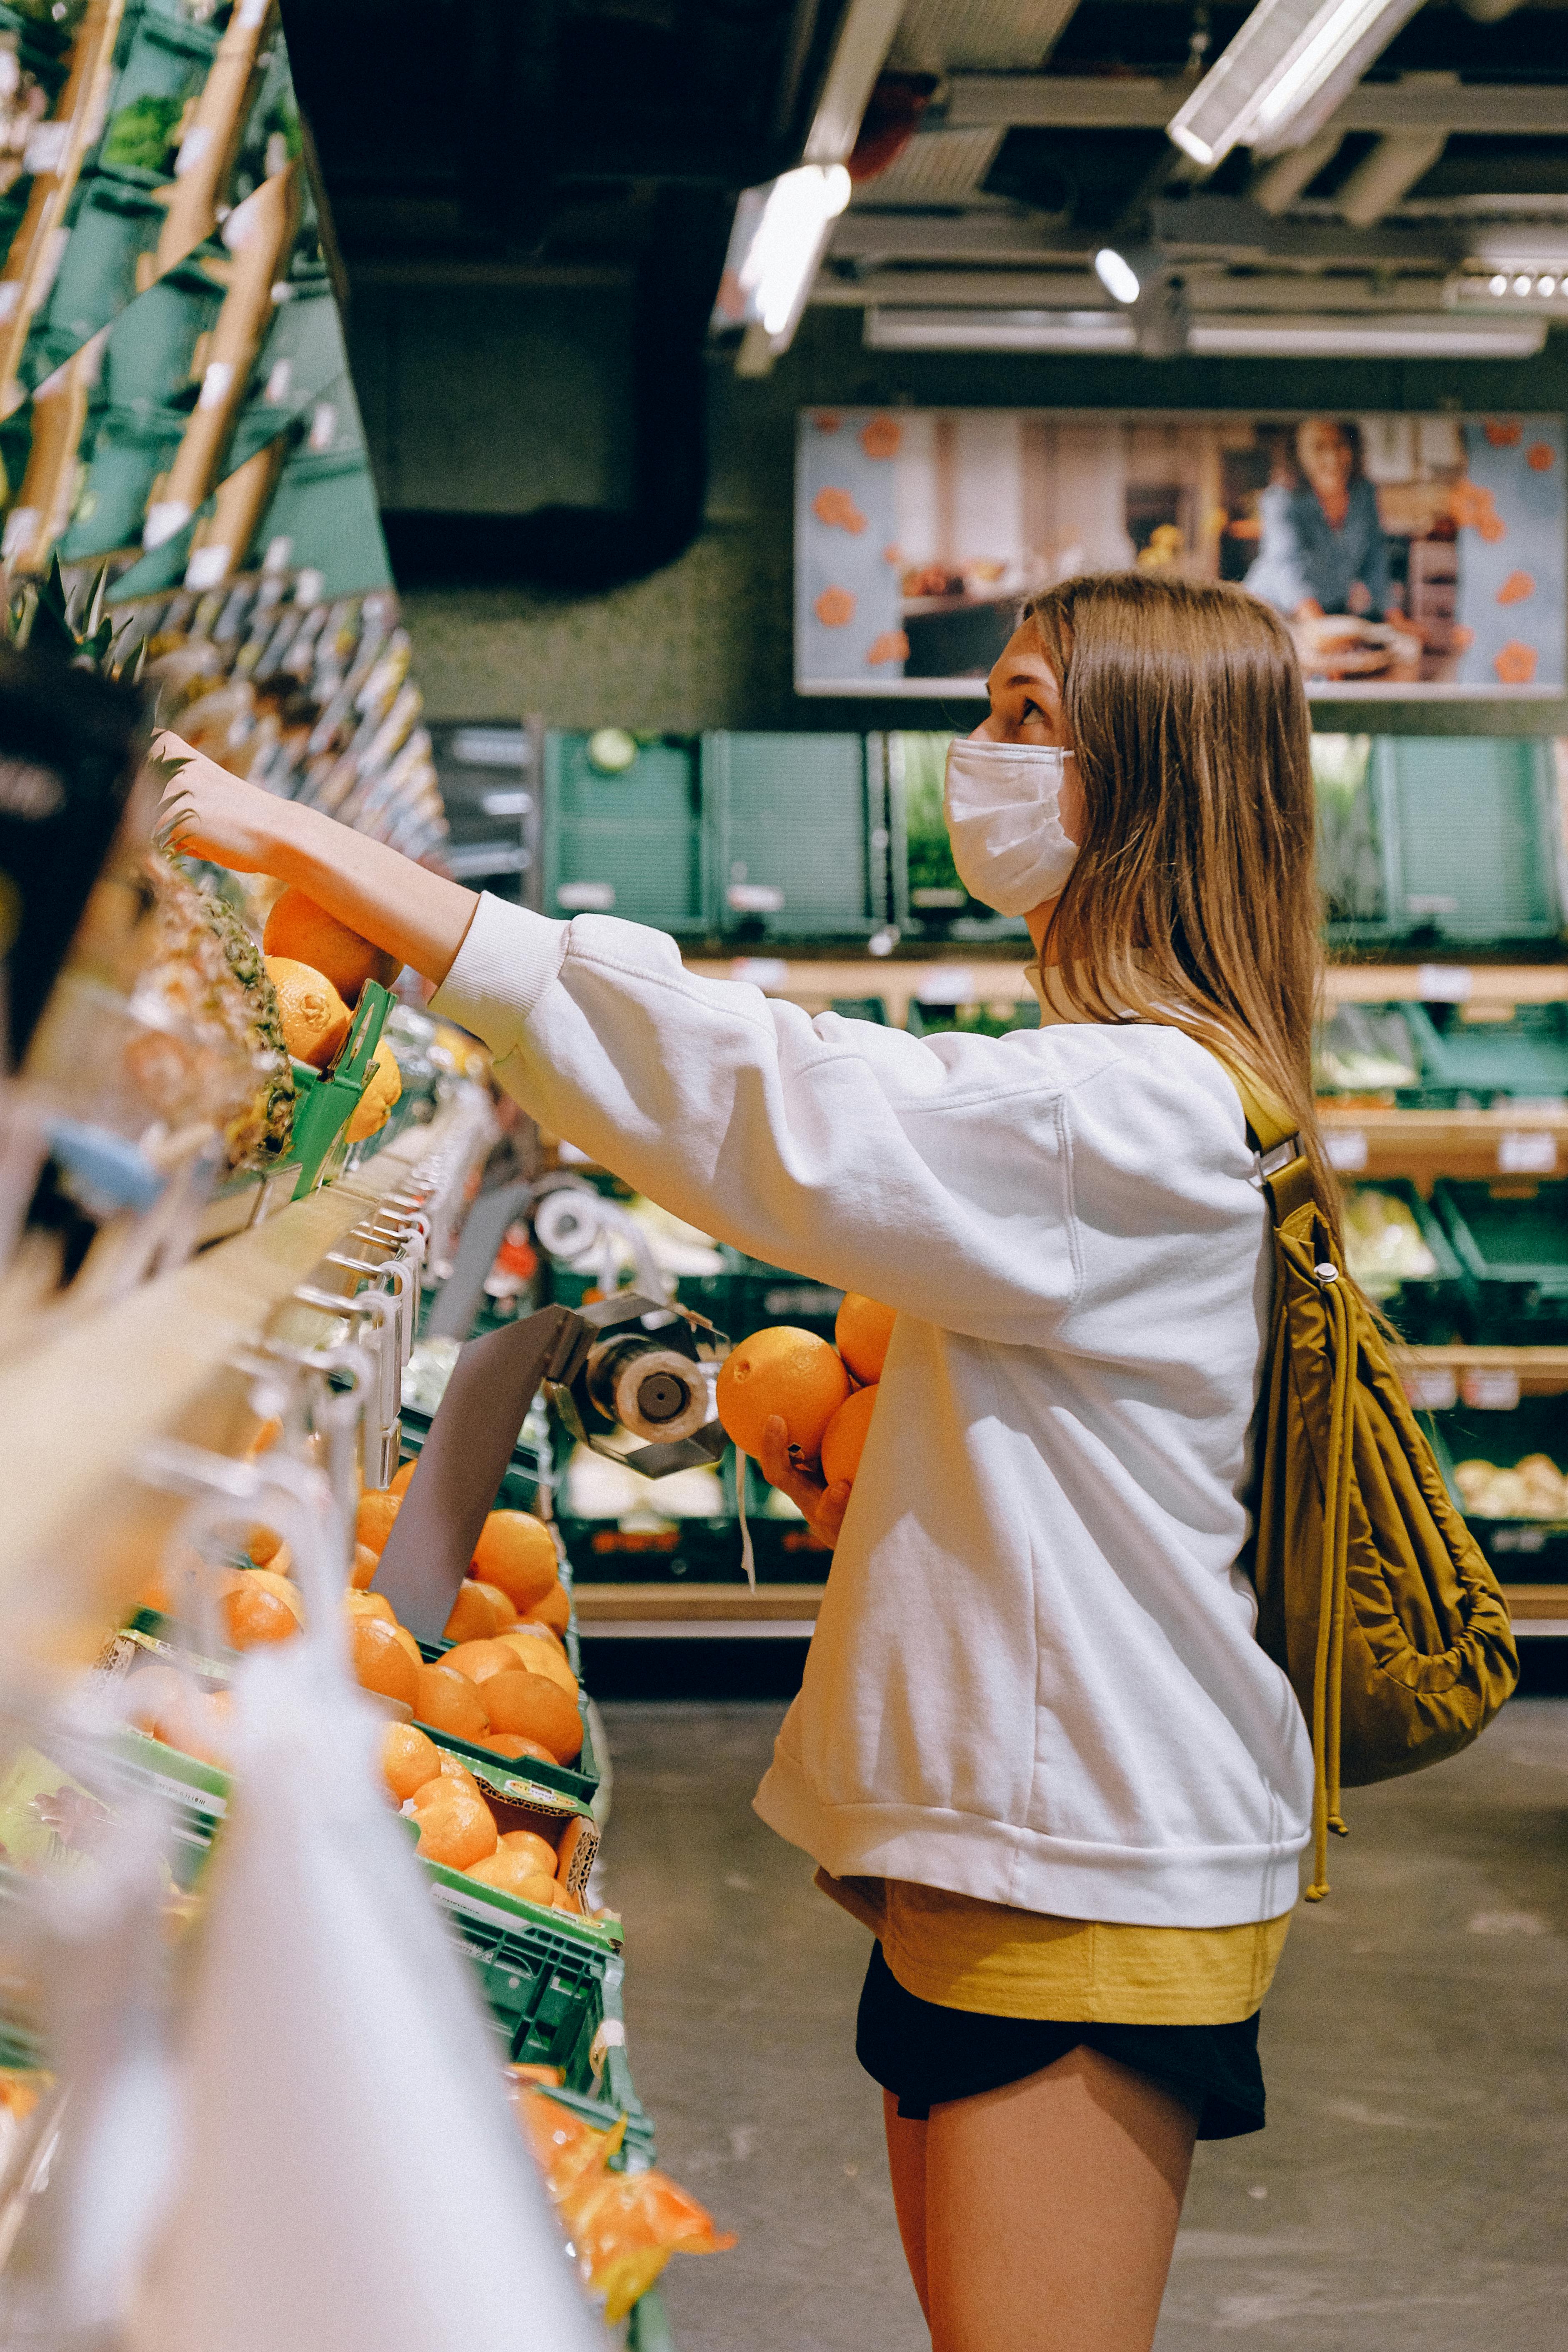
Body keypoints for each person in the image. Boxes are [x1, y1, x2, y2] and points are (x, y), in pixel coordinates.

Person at [158, 569, 1326, 2352]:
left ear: (1151, 777)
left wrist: (342, 868)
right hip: (1005, 1850)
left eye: (1025, 716)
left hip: (1079, 1866)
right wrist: (900, 1479)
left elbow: (772, 1095)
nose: (979, 753)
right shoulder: (1121, 1087)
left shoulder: (1131, 1112)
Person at [1244, 416, 1400, 624]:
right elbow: (1286, 566)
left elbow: (1376, 561)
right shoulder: (1281, 499)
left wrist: (1396, 619)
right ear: (1298, 454)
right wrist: (1319, 628)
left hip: (1327, 613)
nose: (1332, 458)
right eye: (1319, 447)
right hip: (1270, 614)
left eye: (1340, 444)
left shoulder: (1364, 494)